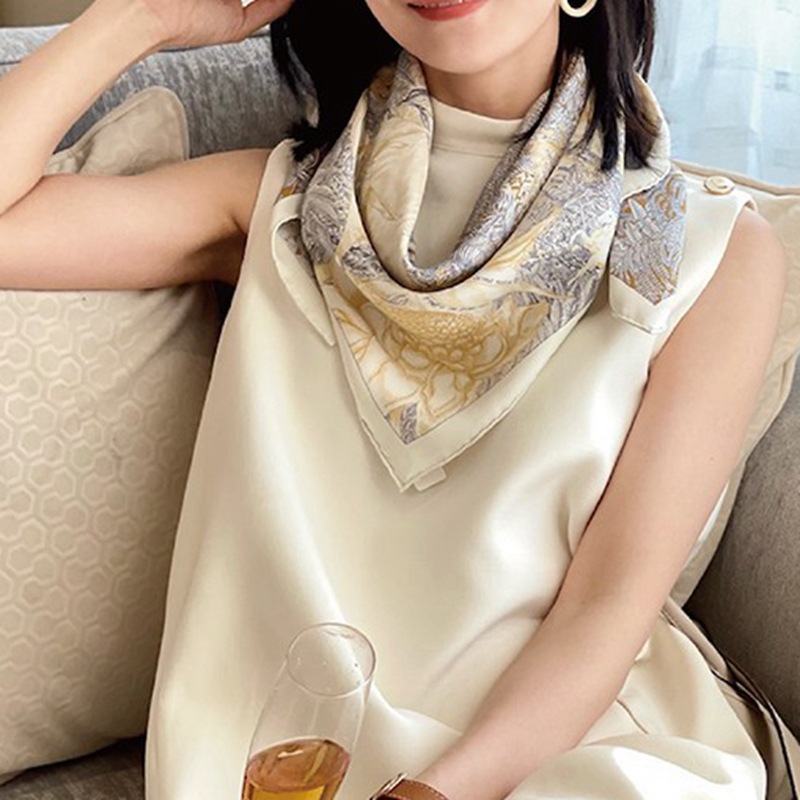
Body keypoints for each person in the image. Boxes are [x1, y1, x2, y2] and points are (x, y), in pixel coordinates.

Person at [0, 0, 791, 798]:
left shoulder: (710, 252)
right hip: (287, 768)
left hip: (566, 760)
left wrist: (433, 792)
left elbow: (609, 606)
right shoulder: (280, 205)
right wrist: (141, 18)